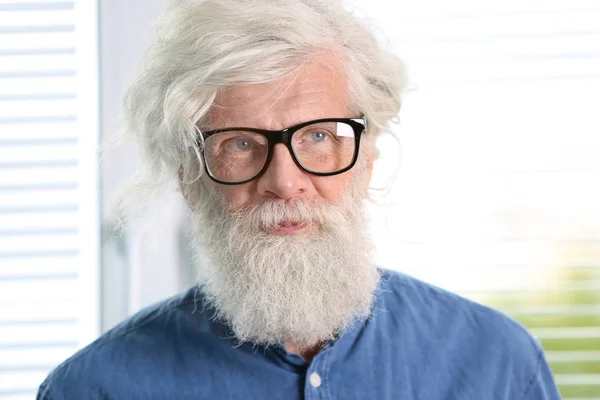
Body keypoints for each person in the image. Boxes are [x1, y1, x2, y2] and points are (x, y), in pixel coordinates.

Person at [38, 0, 561, 398]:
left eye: (318, 136)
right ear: (189, 177)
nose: (286, 182)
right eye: (240, 144)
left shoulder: (496, 363)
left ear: (367, 157)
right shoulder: (94, 388)